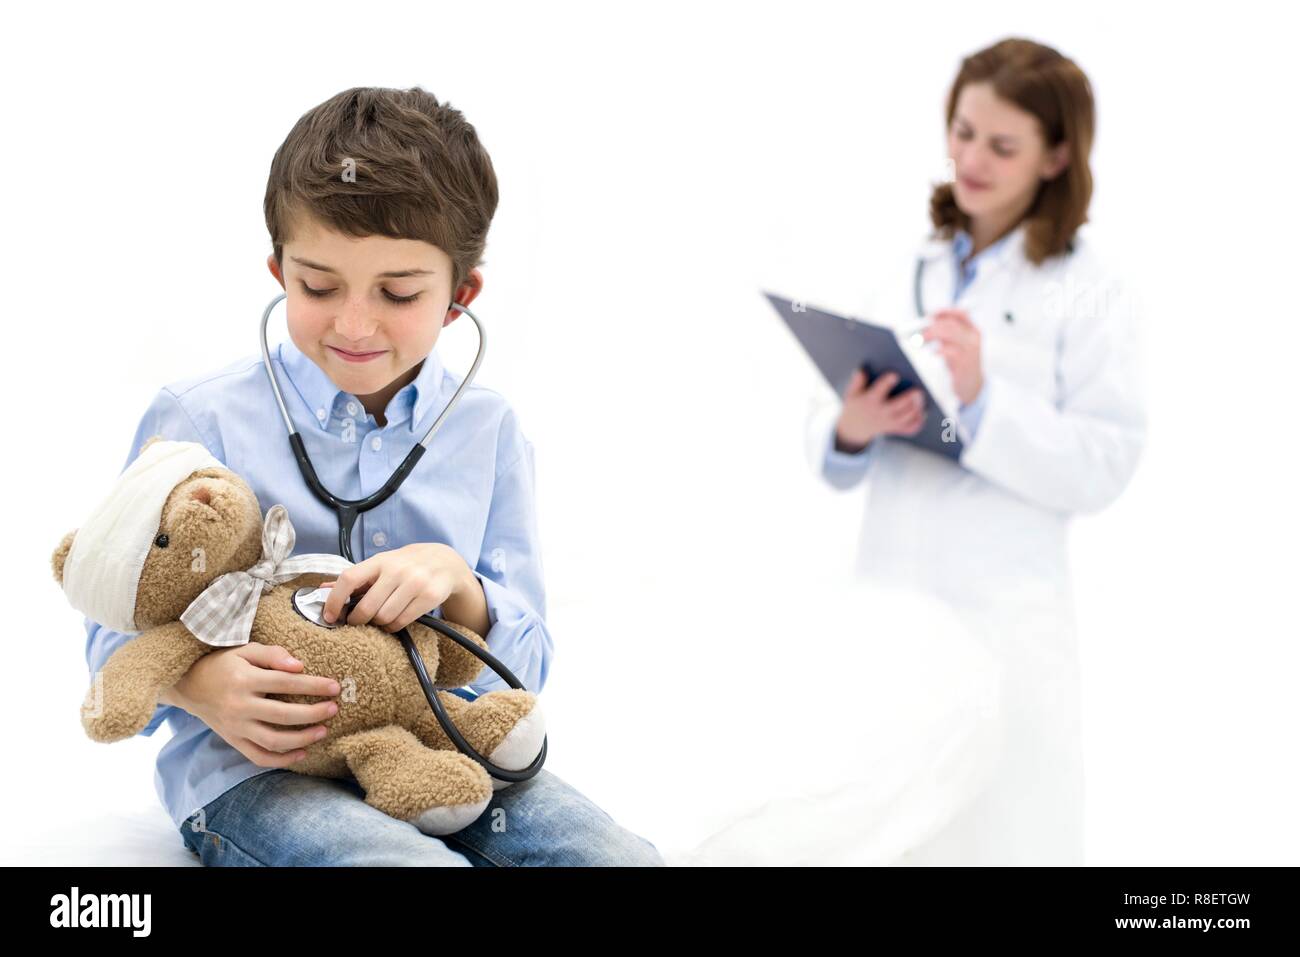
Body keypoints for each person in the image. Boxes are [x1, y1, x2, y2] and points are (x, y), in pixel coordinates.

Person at [84, 86, 663, 867]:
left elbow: (526, 666)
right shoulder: (198, 418)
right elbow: (109, 627)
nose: (355, 324)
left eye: (398, 293)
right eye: (318, 286)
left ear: (461, 296)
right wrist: (200, 685)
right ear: (278, 269)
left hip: (441, 747)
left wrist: (460, 585)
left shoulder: (486, 431)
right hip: (255, 769)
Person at [804, 38, 1145, 865]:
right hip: (895, 598)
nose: (972, 159)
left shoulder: (1084, 285)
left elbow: (1107, 458)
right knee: (885, 832)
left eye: (1002, 145)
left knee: (1009, 837)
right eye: (962, 132)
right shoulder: (910, 266)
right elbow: (831, 445)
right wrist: (854, 425)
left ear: (1057, 155)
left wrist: (988, 399)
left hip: (1007, 616)